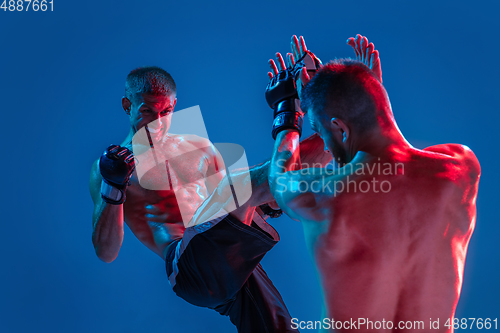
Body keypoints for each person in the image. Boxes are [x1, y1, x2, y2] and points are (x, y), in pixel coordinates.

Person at [89, 66, 332, 332]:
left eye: (165, 112)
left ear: (174, 106)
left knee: (281, 329)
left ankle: (342, 119)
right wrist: (113, 187)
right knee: (242, 180)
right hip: (189, 268)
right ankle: (288, 113)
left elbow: (240, 206)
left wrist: (324, 97)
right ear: (128, 105)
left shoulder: (199, 148)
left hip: (231, 263)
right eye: (147, 111)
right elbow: (106, 252)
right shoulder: (115, 167)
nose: (157, 123)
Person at [266, 35, 481, 332]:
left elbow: (279, 179)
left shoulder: (323, 196)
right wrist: (369, 97)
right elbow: (389, 159)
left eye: (322, 131)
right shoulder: (461, 167)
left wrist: (287, 115)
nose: (326, 145)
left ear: (339, 128)